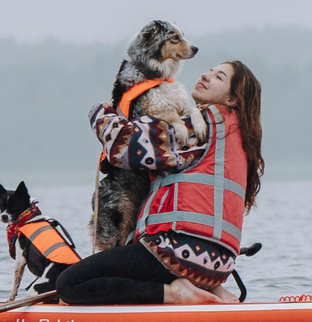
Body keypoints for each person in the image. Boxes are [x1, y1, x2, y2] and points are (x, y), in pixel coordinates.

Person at [43, 60, 263, 306]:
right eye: (210, 70)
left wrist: (100, 113)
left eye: (219, 76)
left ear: (233, 99)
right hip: (217, 264)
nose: (206, 75)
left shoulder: (204, 123)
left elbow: (124, 145)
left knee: (70, 284)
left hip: (176, 251)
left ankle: (178, 294)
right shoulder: (236, 136)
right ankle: (209, 292)